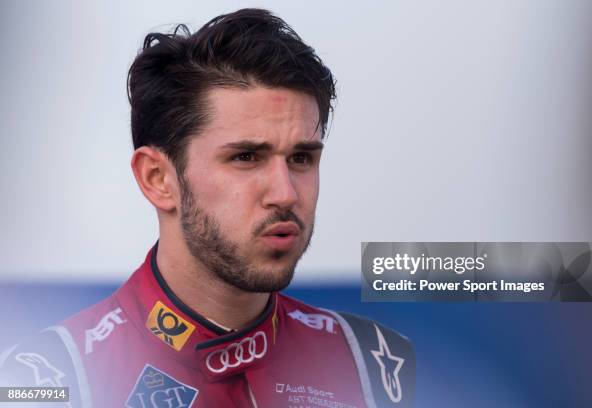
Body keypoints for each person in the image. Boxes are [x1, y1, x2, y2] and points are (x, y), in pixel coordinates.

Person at [0, 8, 414, 408]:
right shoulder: (49, 376)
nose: (285, 194)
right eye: (246, 158)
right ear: (158, 179)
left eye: (301, 158)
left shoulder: (372, 361)